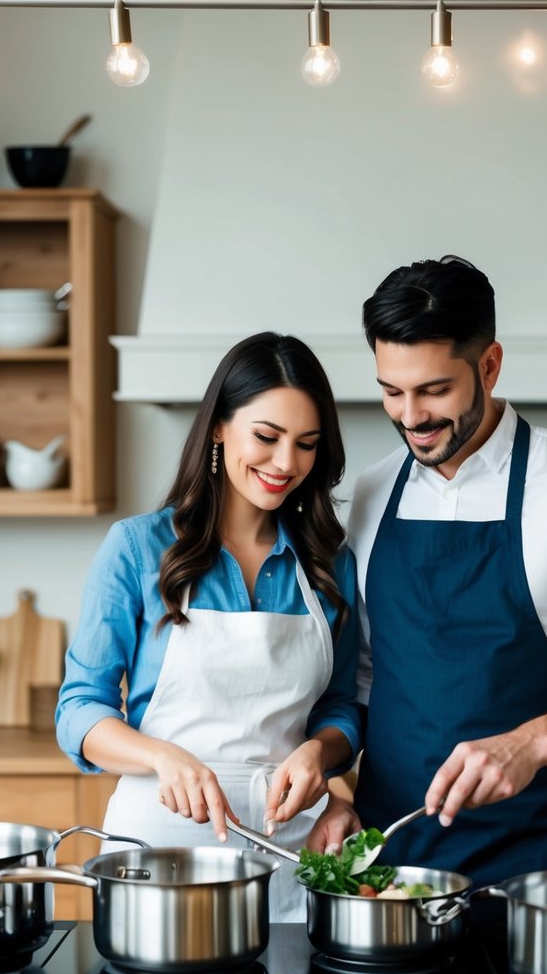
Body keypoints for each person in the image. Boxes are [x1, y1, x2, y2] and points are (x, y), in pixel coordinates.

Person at [312, 255, 547, 887]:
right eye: (391, 391)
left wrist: (532, 743)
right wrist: (338, 792)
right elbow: (366, 676)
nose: (411, 416)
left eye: (434, 389)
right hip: (391, 870)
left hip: (541, 865)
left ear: (489, 365)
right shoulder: (374, 488)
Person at [56, 331, 361, 921]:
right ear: (219, 427)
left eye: (306, 445)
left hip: (290, 852)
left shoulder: (329, 562)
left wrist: (319, 755)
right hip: (160, 849)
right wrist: (162, 757)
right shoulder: (139, 548)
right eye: (267, 438)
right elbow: (79, 711)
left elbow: (343, 707)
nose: (285, 464)